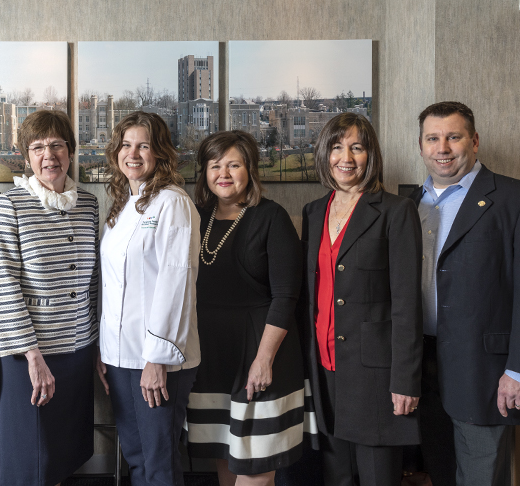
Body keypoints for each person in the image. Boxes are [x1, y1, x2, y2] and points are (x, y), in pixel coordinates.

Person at [300, 112, 422, 486]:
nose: (346, 158)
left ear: (371, 155)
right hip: (324, 368)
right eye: (337, 147)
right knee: (335, 476)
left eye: (357, 147)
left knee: (377, 477)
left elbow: (406, 303)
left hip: (376, 373)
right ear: (325, 154)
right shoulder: (313, 211)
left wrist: (406, 380)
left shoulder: (396, 211)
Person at [185, 130, 306, 485]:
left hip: (261, 352)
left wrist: (264, 359)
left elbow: (286, 297)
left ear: (249, 169)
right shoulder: (196, 217)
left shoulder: (272, 217)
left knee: (255, 470)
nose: (223, 173)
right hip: (211, 356)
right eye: (215, 165)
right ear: (205, 173)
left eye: (233, 164)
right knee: (225, 457)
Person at [0, 110, 99, 485]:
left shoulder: (88, 203)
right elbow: (3, 286)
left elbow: (95, 280)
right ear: (26, 156)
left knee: (63, 452)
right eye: (38, 147)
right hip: (30, 355)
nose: (48, 154)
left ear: (70, 150)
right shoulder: (9, 206)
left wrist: (98, 342)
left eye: (56, 145)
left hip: (80, 348)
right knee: (28, 458)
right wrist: (31, 355)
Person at [412, 101, 520, 486]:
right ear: (421, 145)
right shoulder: (410, 204)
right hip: (422, 368)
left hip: (486, 372)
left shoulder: (512, 198)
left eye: (453, 137)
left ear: (474, 141)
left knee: (481, 476)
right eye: (433, 138)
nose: (443, 147)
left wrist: (516, 369)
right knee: (440, 470)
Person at [97, 111, 201, 486]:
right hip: (120, 355)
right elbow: (112, 284)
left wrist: (156, 360)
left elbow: (176, 282)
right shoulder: (124, 202)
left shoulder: (172, 203)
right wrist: (104, 349)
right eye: (126, 144)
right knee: (137, 457)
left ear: (160, 152)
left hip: (158, 360)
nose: (133, 153)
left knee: (158, 459)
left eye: (144, 145)